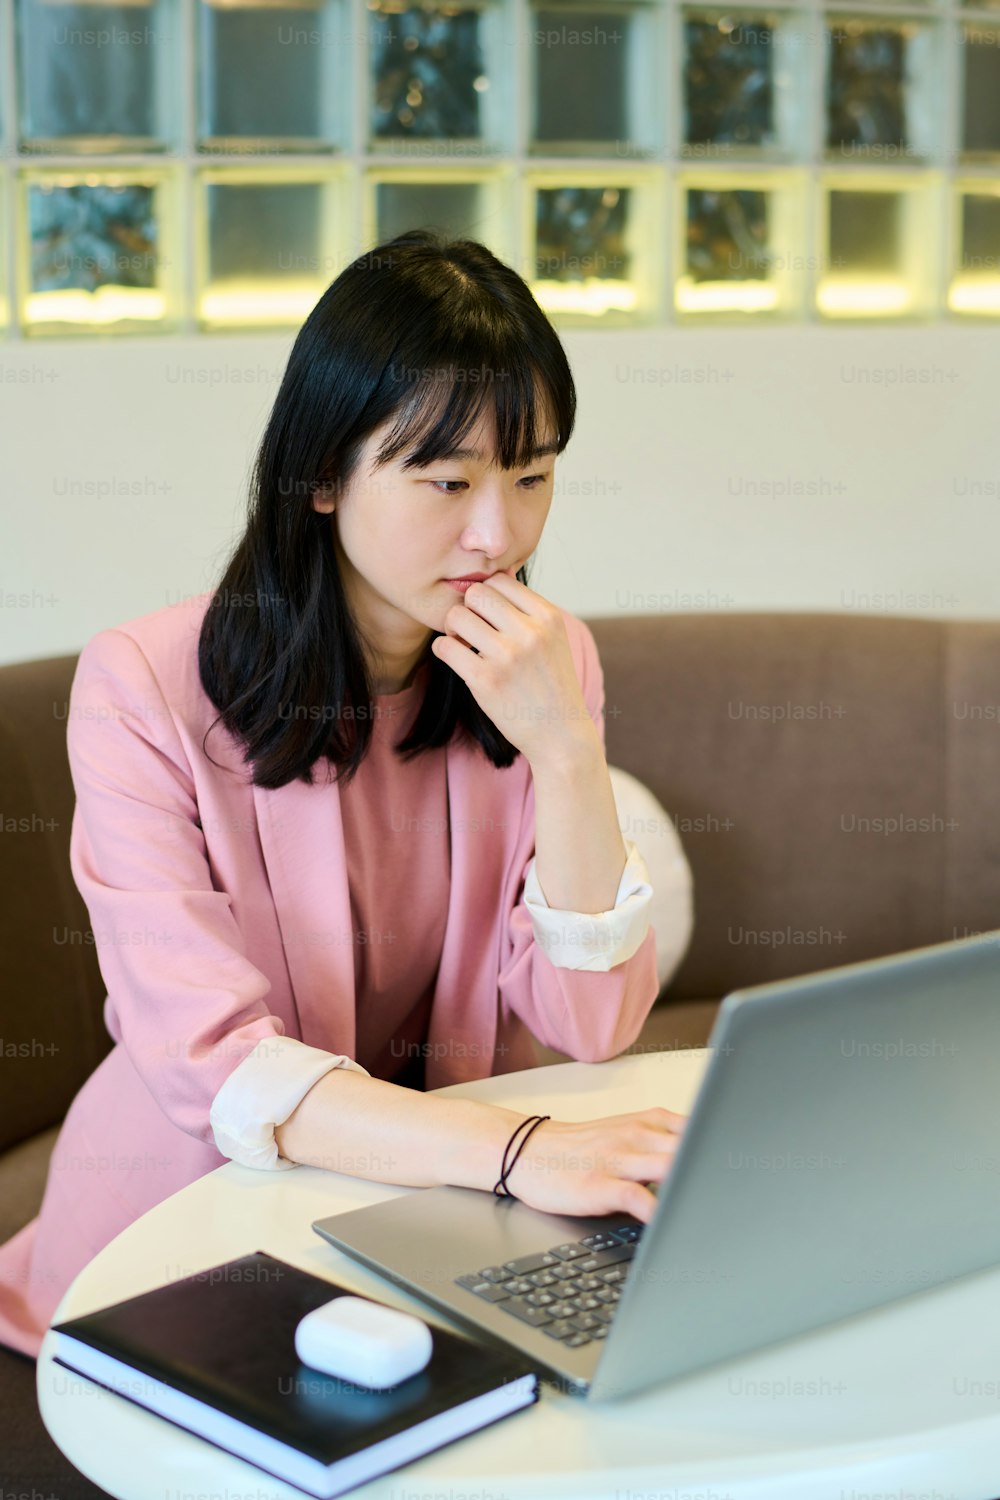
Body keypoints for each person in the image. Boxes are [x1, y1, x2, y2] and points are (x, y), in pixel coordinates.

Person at [0, 230, 692, 1361]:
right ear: (321, 475)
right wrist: (519, 1152)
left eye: (532, 476)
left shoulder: (544, 664)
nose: (499, 535)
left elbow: (590, 1023)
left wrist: (566, 753)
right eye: (447, 481)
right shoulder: (142, 684)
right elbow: (215, 1062)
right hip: (196, 1217)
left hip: (444, 1210)